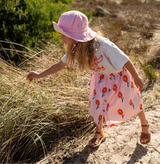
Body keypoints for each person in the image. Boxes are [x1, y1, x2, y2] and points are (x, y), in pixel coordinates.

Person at [27, 10, 151, 148]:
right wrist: (38, 75)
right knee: (97, 105)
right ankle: (99, 133)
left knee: (132, 100)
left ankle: (145, 125)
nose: (61, 37)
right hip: (101, 78)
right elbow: (60, 65)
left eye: (63, 34)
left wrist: (137, 77)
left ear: (74, 35)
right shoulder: (74, 48)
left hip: (120, 77)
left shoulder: (103, 44)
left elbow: (125, 60)